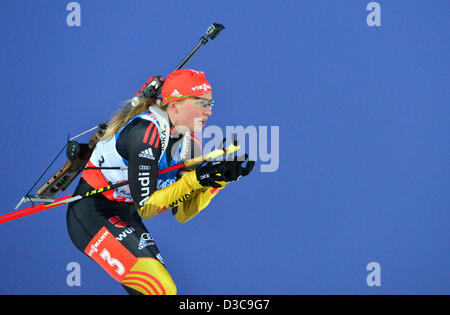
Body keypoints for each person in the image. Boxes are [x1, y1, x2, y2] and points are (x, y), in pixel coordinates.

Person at [66, 69, 255, 295]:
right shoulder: (146, 133)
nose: (209, 112)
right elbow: (146, 207)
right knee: (161, 290)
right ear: (174, 105)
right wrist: (197, 179)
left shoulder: (190, 143)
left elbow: (183, 211)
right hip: (92, 212)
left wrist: (216, 181)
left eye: (210, 103)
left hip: (125, 214)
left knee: (164, 291)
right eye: (201, 104)